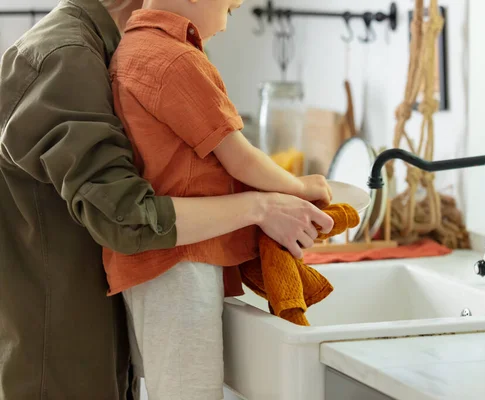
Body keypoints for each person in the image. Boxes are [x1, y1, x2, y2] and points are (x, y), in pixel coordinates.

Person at [0, 0, 333, 399]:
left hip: (80, 350)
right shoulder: (66, 57)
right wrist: (261, 208)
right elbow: (127, 217)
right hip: (61, 365)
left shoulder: (115, 49)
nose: (227, 19)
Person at [104, 0, 334, 398]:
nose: (227, 24)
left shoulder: (130, 48)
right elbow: (239, 156)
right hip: (181, 262)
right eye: (230, 8)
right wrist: (299, 188)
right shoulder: (176, 59)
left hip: (152, 261)